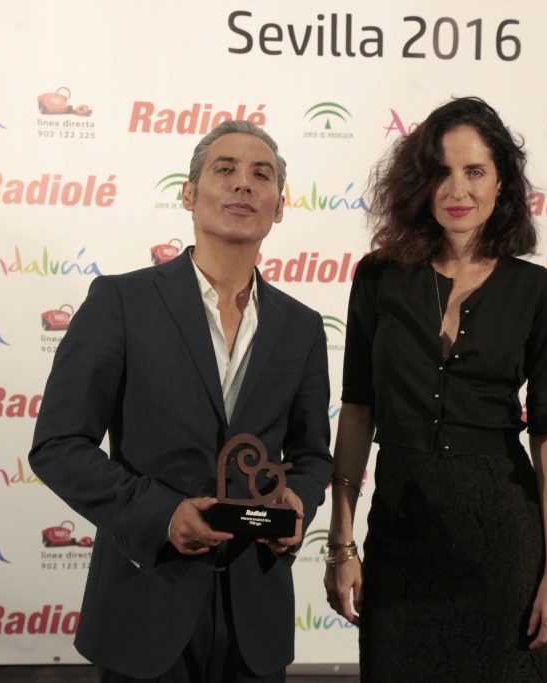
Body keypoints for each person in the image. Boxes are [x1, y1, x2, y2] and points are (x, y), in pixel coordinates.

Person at [30, 120, 332, 682]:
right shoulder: (120, 301)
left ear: (280, 205)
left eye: (261, 174)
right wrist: (161, 516)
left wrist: (298, 501)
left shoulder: (302, 325)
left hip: (256, 614)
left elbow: (312, 455)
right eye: (225, 169)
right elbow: (58, 445)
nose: (243, 184)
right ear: (189, 193)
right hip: (146, 600)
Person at [322, 96, 547, 681]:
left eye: (475, 171)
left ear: (501, 183)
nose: (457, 190)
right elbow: (357, 409)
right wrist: (341, 542)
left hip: (504, 542)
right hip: (401, 536)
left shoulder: (536, 291)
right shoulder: (378, 276)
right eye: (441, 172)